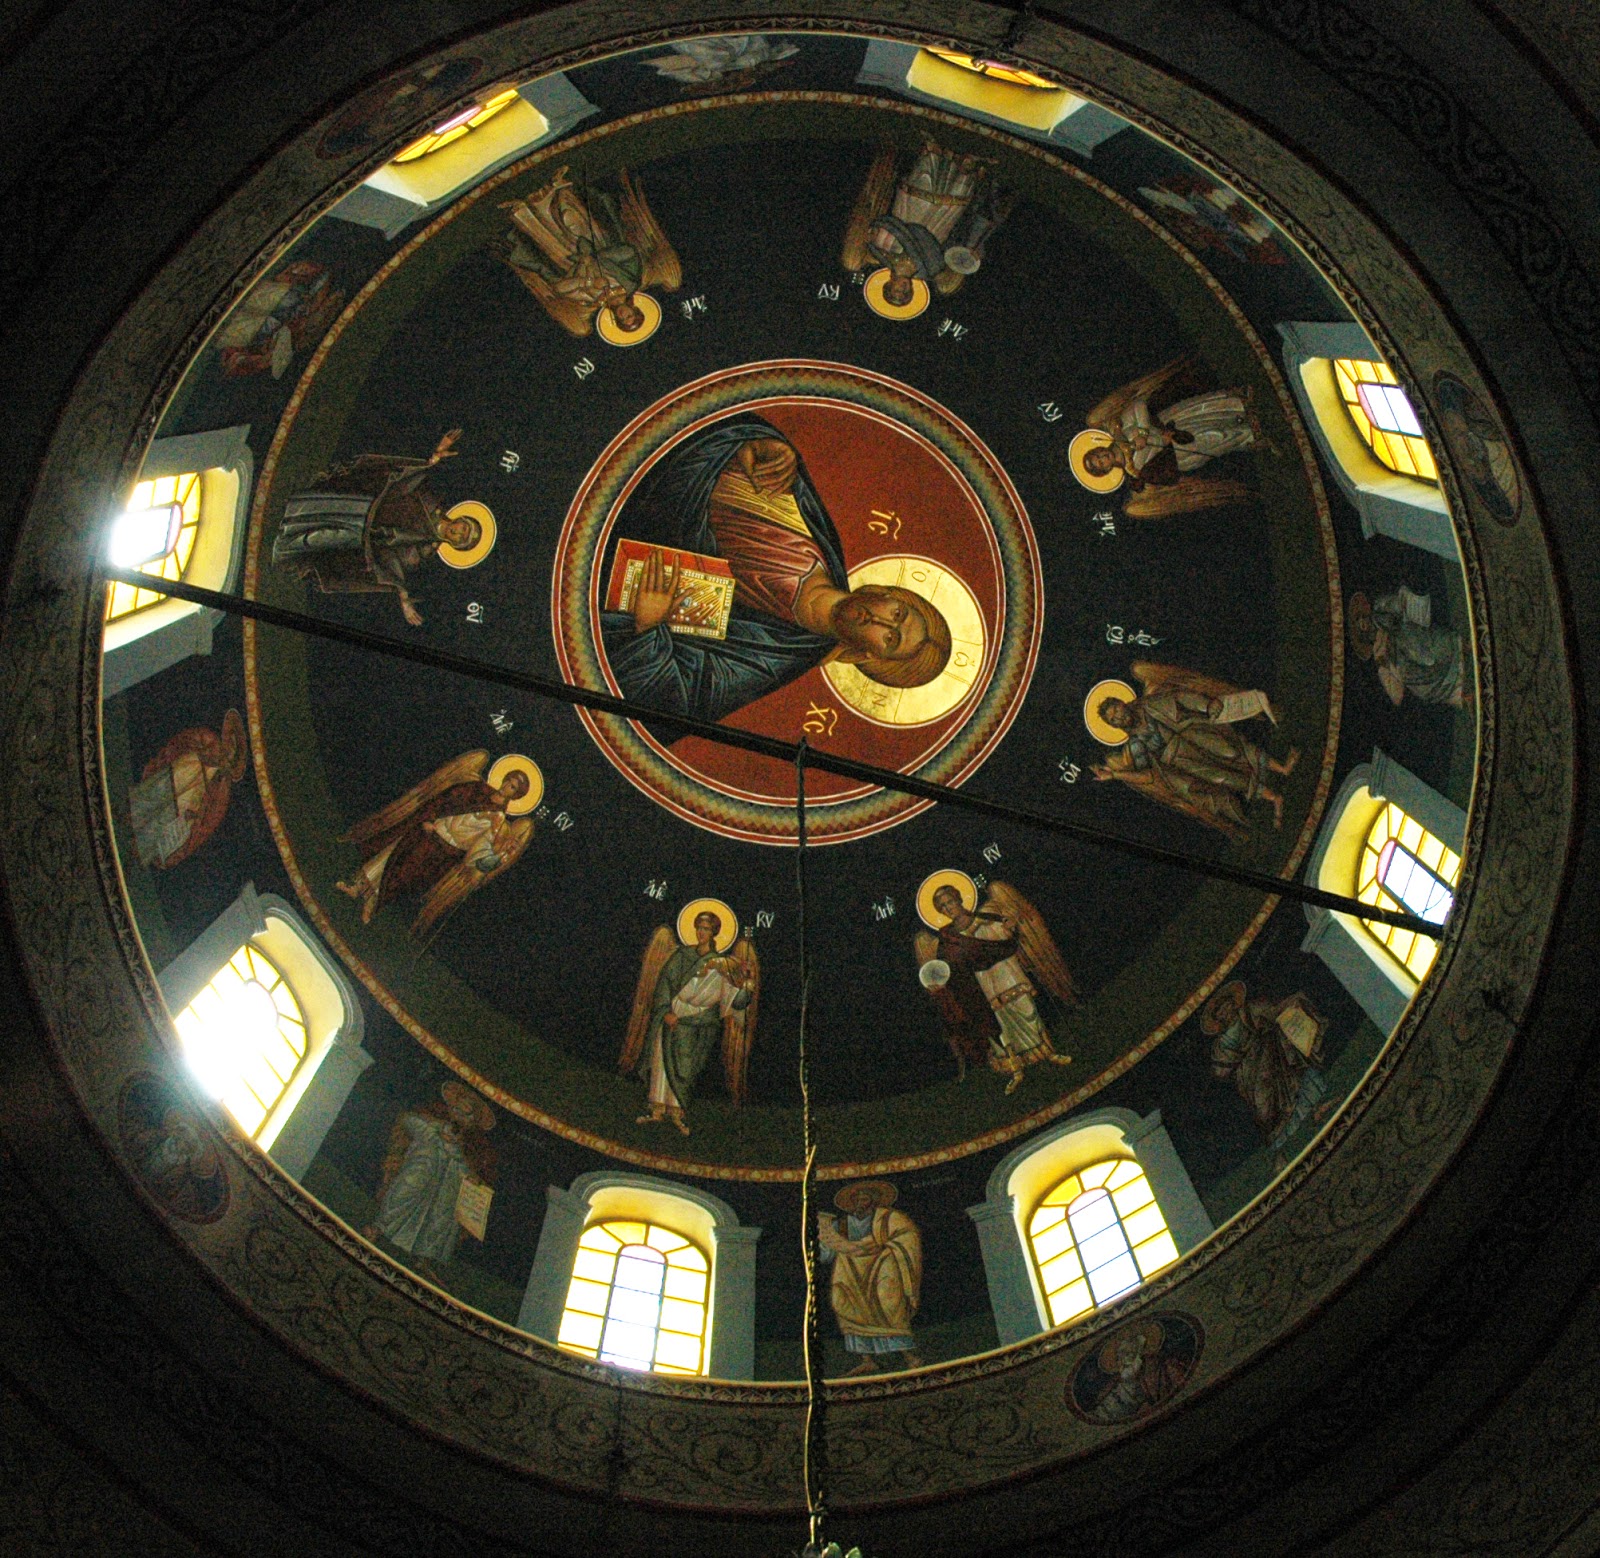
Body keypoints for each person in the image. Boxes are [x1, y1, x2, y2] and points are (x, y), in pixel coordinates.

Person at [600, 413, 953, 724]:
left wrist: (648, 628)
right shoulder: (812, 529)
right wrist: (753, 446)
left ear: (866, 655)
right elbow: (716, 458)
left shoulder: (772, 659)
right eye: (897, 613)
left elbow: (668, 702)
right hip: (614, 490)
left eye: (890, 638)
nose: (879, 621)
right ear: (883, 593)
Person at [271, 430, 472, 626]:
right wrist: (433, 459)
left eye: (463, 539)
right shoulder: (430, 502)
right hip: (368, 506)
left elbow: (395, 563)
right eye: (465, 528)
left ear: (456, 545)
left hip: (362, 537)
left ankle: (283, 547)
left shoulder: (426, 549)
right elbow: (406, 482)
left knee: (321, 539)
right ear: (461, 518)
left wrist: (402, 594)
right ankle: (285, 511)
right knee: (320, 509)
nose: (460, 533)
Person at [336, 752, 533, 938]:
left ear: (516, 796)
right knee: (392, 856)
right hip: (432, 832)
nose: (507, 786)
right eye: (508, 781)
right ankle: (356, 887)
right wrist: (429, 818)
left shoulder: (499, 820)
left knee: (404, 875)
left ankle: (371, 904)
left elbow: (481, 848)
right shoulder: (477, 790)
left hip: (446, 852)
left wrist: (494, 853)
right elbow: (444, 800)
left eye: (513, 787)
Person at [1091, 663, 1298, 837]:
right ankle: (1274, 798)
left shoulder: (1149, 704)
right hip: (1183, 762)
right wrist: (1115, 775)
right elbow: (1147, 775)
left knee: (1234, 752)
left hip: (1194, 736)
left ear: (1122, 703)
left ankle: (1282, 768)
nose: (1118, 717)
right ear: (1113, 726)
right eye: (1113, 719)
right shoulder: (1136, 745)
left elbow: (1181, 699)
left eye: (1116, 709)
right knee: (1225, 779)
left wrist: (1207, 705)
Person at [917, 882, 1074, 1094]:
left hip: (1006, 972)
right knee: (1002, 1026)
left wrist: (1010, 928)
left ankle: (1049, 1053)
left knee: (1028, 1011)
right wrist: (940, 982)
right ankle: (1016, 1070)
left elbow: (1007, 941)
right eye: (943, 907)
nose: (948, 908)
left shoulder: (986, 917)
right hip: (982, 984)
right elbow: (948, 969)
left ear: (959, 899)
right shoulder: (948, 938)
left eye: (950, 902)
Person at [498, 167, 680, 337]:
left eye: (623, 319)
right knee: (572, 218)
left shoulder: (592, 301)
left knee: (547, 230)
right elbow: (628, 252)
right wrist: (596, 258)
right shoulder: (631, 281)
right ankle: (556, 186)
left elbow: (559, 289)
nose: (624, 314)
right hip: (595, 244)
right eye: (629, 315)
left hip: (569, 256)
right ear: (634, 309)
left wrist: (587, 281)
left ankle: (524, 206)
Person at [620, 910, 757, 1135]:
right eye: (699, 928)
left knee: (686, 1068)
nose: (701, 933)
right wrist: (666, 1011)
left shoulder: (722, 966)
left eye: (706, 929)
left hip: (697, 1024)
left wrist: (749, 983)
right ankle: (656, 1110)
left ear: (714, 933)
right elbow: (664, 984)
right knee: (661, 1063)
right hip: (672, 1015)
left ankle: (677, 1114)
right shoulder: (681, 956)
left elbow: (736, 1002)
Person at [1079, 357, 1263, 517]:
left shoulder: (1120, 430)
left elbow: (1138, 404)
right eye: (1101, 463)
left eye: (1098, 454)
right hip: (1180, 454)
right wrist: (1164, 446)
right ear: (1107, 469)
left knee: (1204, 412)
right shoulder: (1134, 471)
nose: (1103, 457)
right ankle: (1250, 432)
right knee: (1216, 439)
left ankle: (1240, 404)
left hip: (1167, 423)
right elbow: (1162, 472)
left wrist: (1143, 432)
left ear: (1099, 448)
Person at [842, 140, 1010, 299]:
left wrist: (886, 233)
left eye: (897, 290)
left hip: (910, 206)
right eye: (905, 292)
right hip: (942, 218)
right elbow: (944, 243)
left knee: (925, 177)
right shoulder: (931, 270)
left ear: (889, 284)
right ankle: (969, 161)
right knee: (958, 188)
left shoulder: (879, 253)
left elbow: (884, 222)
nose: (903, 288)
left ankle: (934, 150)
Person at [363, 1081, 496, 1280]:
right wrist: (435, 1132)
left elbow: (466, 1169)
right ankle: (377, 1229)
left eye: (467, 1115)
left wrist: (469, 1175)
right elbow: (409, 1121)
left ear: (473, 1122)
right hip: (421, 1170)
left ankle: (423, 1259)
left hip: (444, 1189)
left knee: (442, 1218)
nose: (460, 1116)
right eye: (458, 1110)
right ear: (452, 1108)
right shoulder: (434, 1123)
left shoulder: (470, 1147)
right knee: (404, 1191)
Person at [1203, 981, 1330, 1168]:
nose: (1225, 1011)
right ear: (1218, 1018)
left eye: (1226, 1006)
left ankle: (1317, 1109)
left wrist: (1291, 1004)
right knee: (1266, 1111)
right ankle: (1280, 1153)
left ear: (1233, 1003)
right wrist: (1237, 1058)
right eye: (1220, 1012)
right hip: (1251, 1077)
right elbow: (1220, 1070)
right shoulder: (1221, 1043)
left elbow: (1275, 1011)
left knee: (1297, 1079)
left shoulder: (1251, 1010)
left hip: (1276, 1055)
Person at [818, 1181, 923, 1376]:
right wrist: (820, 1239)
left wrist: (877, 1248)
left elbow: (907, 1237)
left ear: (874, 1200)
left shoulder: (889, 1218)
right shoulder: (842, 1224)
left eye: (865, 1198)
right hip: (851, 1275)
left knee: (888, 1308)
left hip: (882, 1269)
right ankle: (867, 1360)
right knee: (847, 1307)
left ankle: (909, 1357)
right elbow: (827, 1255)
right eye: (856, 1199)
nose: (860, 1202)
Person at [127, 708, 249, 869]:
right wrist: (202, 753)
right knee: (150, 798)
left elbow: (211, 816)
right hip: (174, 776)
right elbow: (183, 742)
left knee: (161, 824)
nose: (227, 752)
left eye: (232, 753)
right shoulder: (209, 739)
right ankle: (126, 816)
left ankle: (135, 852)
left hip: (185, 805)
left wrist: (196, 818)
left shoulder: (223, 785)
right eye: (229, 745)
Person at [1348, 587, 1469, 709]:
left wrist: (1395, 613)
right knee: (1411, 678)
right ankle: (1458, 692)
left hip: (1411, 638)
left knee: (1423, 642)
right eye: (1357, 623)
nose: (1361, 623)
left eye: (1359, 617)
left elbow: (1400, 606)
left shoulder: (1379, 611)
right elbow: (1397, 696)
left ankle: (1460, 648)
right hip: (1406, 664)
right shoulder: (1377, 651)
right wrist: (1385, 662)